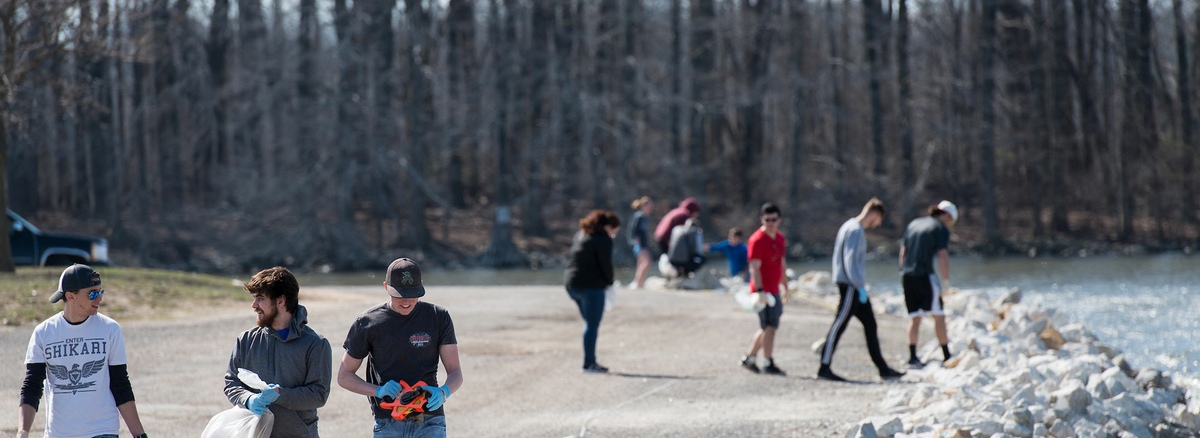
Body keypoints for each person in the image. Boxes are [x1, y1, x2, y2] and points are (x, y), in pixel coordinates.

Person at [18, 264, 149, 438]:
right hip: (59, 434)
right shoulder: (44, 333)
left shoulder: (110, 330)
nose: (99, 299)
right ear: (70, 296)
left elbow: (121, 386)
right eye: (92, 294)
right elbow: (32, 387)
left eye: (100, 292)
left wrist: (140, 435)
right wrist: (23, 431)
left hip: (103, 431)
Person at [338, 258, 464, 437]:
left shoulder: (438, 317)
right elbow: (344, 376)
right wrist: (378, 391)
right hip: (388, 422)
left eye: (413, 294)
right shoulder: (366, 323)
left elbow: (455, 372)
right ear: (385, 287)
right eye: (400, 294)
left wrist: (444, 392)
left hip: (430, 419)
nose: (407, 301)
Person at [224, 267, 332, 437]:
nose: (254, 305)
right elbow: (231, 383)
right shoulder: (245, 339)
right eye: (254, 299)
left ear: (281, 301)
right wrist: (249, 400)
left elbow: (318, 395)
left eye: (260, 299)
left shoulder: (316, 344)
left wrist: (280, 395)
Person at [817, 199, 905, 381]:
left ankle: (883, 369)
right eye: (879, 220)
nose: (878, 224)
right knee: (839, 324)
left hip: (855, 287)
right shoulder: (855, 230)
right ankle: (824, 368)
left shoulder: (849, 226)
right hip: (850, 286)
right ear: (873, 214)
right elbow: (850, 262)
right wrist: (859, 287)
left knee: (871, 325)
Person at [899, 200, 958, 367]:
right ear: (946, 215)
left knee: (914, 316)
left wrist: (903, 271)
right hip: (924, 275)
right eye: (951, 221)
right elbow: (942, 255)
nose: (950, 224)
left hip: (907, 276)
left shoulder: (914, 223)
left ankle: (912, 357)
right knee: (939, 314)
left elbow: (902, 252)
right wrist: (945, 282)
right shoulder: (940, 229)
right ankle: (947, 355)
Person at [563, 210, 621, 373]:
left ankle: (589, 360)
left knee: (590, 324)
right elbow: (606, 266)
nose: (613, 236)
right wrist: (610, 284)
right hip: (591, 287)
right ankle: (589, 363)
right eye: (614, 232)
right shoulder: (603, 239)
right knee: (592, 325)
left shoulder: (580, 235)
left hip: (571, 285)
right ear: (608, 227)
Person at [739, 203, 789, 376]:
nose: (771, 223)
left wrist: (785, 286)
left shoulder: (780, 238)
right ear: (762, 219)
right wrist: (759, 291)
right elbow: (754, 267)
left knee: (768, 327)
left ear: (779, 219)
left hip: (774, 289)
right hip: (763, 291)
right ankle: (768, 361)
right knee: (769, 326)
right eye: (767, 220)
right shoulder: (757, 240)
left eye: (774, 219)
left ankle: (750, 358)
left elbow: (781, 263)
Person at [627, 197, 655, 289]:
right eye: (649, 206)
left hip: (643, 244)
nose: (650, 208)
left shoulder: (644, 217)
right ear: (644, 206)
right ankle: (637, 282)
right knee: (647, 261)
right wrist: (635, 242)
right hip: (638, 244)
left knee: (641, 263)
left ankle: (638, 283)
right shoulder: (638, 216)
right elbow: (632, 230)